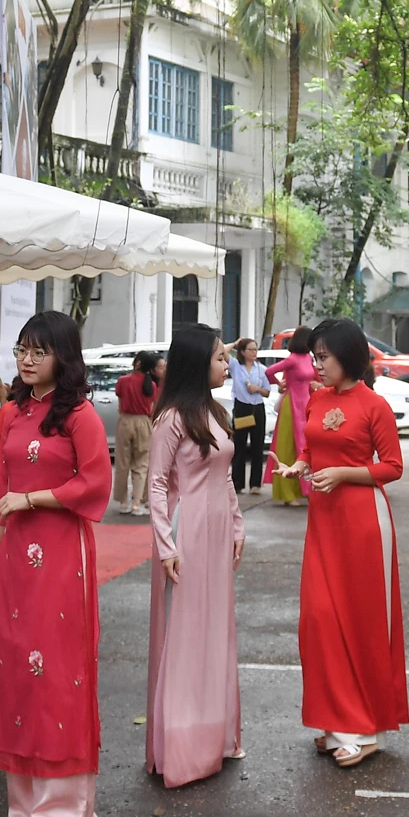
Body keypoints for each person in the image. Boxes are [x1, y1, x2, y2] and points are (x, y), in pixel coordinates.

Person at [0, 311, 114, 817]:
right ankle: (25, 807)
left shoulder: (78, 415)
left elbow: (95, 480)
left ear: (64, 356)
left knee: (55, 671)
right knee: (15, 667)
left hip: (60, 553)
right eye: (21, 350)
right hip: (13, 555)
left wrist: (32, 499)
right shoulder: (12, 412)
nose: (27, 360)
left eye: (39, 351)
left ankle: (63, 814)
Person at [275, 317, 406, 767]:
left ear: (348, 356)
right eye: (315, 357)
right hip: (324, 522)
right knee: (320, 620)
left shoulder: (375, 405)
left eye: (324, 357)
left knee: (362, 622)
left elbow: (392, 466)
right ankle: (335, 721)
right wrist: (300, 466)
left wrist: (344, 474)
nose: (316, 365)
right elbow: (313, 448)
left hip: (364, 522)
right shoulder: (317, 398)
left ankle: (366, 730)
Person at [145, 325, 246, 787]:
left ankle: (215, 733)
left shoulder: (214, 412)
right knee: (186, 633)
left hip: (218, 528)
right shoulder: (172, 418)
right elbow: (158, 483)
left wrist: (238, 521)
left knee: (215, 628)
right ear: (195, 364)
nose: (227, 364)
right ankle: (183, 744)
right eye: (220, 357)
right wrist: (166, 544)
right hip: (187, 530)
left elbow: (224, 476)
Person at [265, 329, 317, 507]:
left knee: (305, 448)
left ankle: (305, 490)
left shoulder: (309, 358)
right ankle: (287, 493)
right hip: (292, 404)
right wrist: (279, 383)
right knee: (288, 447)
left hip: (307, 404)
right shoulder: (293, 358)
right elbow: (269, 371)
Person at [113, 352, 161, 517]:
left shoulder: (123, 381)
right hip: (144, 422)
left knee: (122, 463)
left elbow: (120, 405)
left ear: (138, 363)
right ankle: (136, 503)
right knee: (141, 465)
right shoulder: (151, 386)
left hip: (126, 421)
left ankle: (123, 502)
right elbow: (152, 409)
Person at [226, 337, 270, 495]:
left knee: (258, 445)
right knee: (240, 445)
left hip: (257, 407)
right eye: (250, 349)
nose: (254, 353)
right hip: (242, 407)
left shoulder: (261, 369)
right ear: (243, 352)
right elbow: (223, 351)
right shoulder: (236, 366)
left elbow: (267, 392)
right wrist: (235, 343)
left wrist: (257, 388)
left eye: (255, 349)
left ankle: (255, 484)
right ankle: (238, 482)